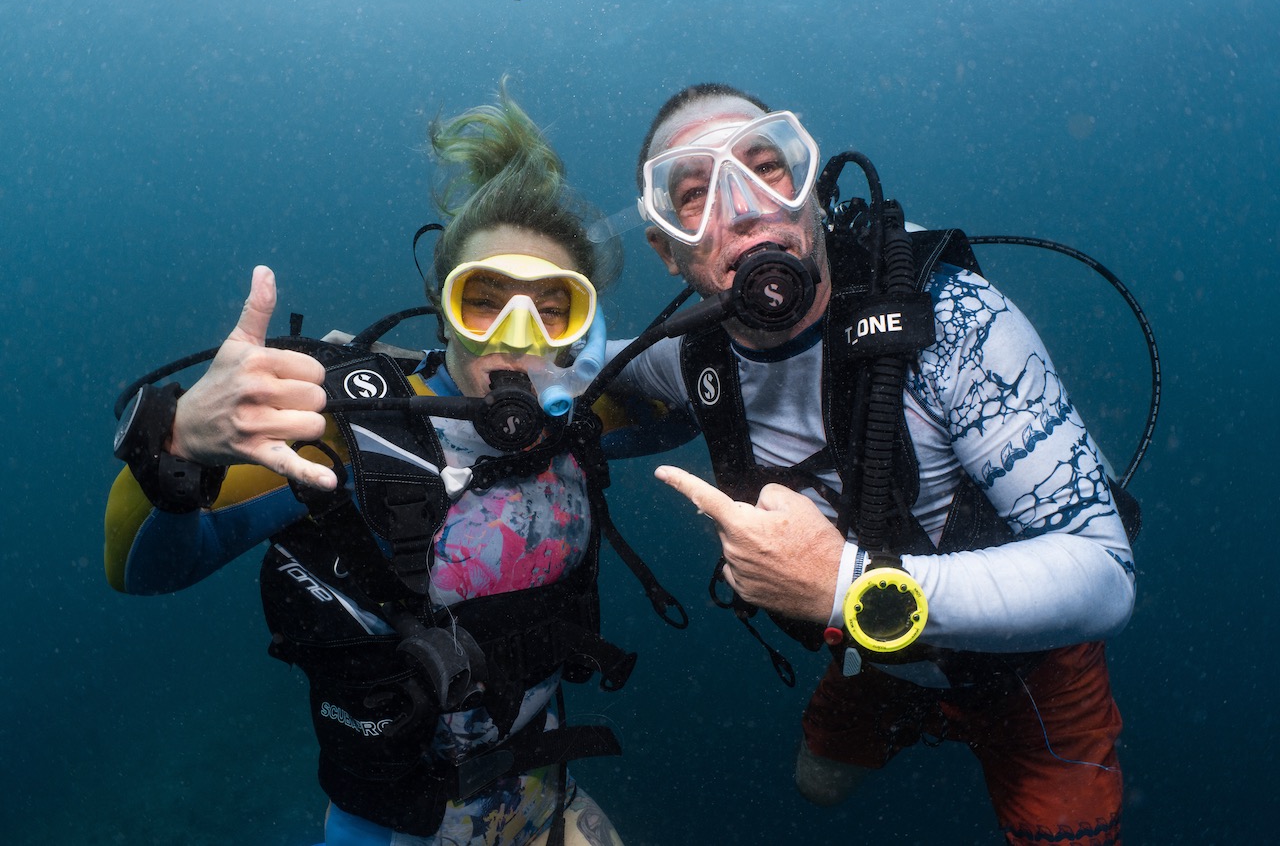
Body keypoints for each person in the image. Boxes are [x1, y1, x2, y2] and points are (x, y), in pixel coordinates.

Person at [104, 86, 637, 846]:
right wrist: (179, 444)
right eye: (483, 300)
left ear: (579, 327)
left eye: (551, 307)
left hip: (548, 807)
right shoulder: (345, 434)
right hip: (393, 833)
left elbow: (708, 383)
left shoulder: (586, 420)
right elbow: (136, 568)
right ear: (441, 301)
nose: (514, 336)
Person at [608, 83, 1137, 844]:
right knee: (817, 785)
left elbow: (1105, 570)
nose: (746, 207)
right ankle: (920, 703)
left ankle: (964, 707)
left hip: (1031, 665)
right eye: (694, 195)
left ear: (813, 192)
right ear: (666, 249)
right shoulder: (688, 358)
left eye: (767, 168)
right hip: (875, 659)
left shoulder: (956, 325)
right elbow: (577, 372)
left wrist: (844, 586)